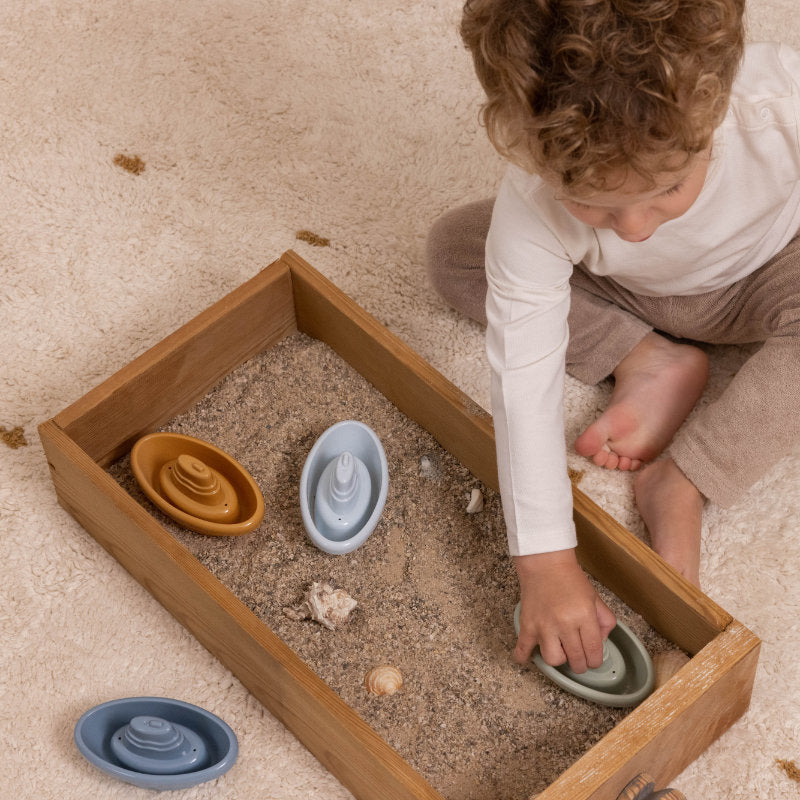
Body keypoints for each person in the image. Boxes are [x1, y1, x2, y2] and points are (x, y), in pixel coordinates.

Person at [425, 0, 800, 674]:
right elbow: (524, 380)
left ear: (712, 115)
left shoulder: (780, 103)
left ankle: (684, 479)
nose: (632, 228)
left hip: (771, 274)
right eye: (593, 203)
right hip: (628, 293)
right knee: (455, 250)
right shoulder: (534, 204)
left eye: (669, 189)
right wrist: (543, 561)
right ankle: (646, 355)